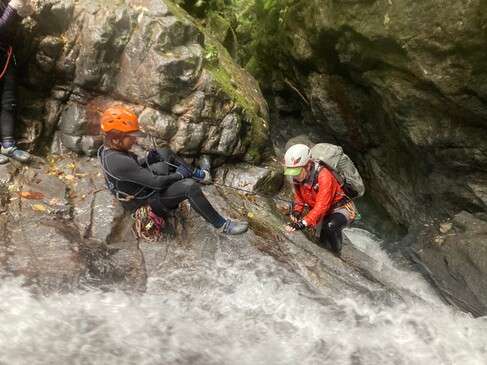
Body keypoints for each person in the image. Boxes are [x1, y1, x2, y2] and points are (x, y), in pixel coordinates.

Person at [97, 105, 248, 235]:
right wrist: (179, 175)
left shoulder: (109, 149)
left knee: (164, 153)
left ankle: (199, 175)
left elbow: (132, 170)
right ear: (116, 139)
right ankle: (222, 225)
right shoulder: (119, 161)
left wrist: (148, 160)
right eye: (131, 137)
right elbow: (156, 184)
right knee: (189, 187)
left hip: (140, 187)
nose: (135, 140)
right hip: (144, 202)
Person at [283, 144, 357, 255]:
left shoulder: (324, 176)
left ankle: (337, 254)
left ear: (308, 165)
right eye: (292, 173)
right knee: (321, 239)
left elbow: (322, 206)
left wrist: (302, 223)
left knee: (330, 226)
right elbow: (300, 198)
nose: (295, 176)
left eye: (297, 172)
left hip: (341, 208)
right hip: (323, 211)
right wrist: (297, 211)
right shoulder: (298, 178)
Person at [0, 0, 34, 164]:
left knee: (9, 102)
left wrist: (23, 12)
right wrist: (14, 8)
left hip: (6, 55)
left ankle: (7, 144)